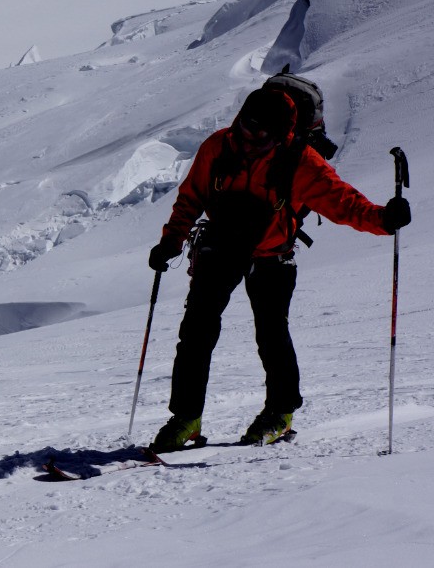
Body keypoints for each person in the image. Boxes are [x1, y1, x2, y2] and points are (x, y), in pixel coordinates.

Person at [146, 87, 411, 452]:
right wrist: (170, 242)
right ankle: (186, 418)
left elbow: (343, 202)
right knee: (195, 333)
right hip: (220, 247)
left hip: (272, 256)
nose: (250, 138)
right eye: (246, 127)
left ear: (282, 132)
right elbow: (191, 196)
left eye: (260, 133)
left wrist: (384, 219)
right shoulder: (219, 146)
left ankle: (280, 413)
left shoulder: (300, 162)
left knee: (271, 336)